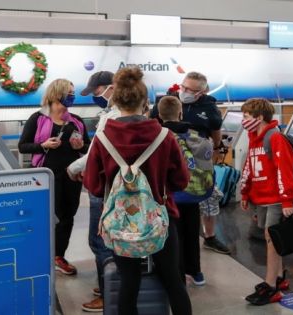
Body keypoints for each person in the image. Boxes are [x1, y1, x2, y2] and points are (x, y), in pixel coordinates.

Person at [84, 67, 192, 315]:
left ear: (116, 100)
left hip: (121, 223)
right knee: (173, 281)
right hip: (161, 219)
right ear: (145, 102)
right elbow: (181, 180)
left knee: (128, 282)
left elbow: (94, 185)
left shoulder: (103, 137)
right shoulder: (164, 136)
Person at [151, 72, 230, 255]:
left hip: (198, 163)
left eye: (189, 90)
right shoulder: (167, 102)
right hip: (169, 162)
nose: (184, 91)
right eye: (183, 87)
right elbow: (152, 123)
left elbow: (215, 132)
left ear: (200, 92)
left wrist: (216, 153)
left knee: (208, 198)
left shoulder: (209, 108)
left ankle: (210, 237)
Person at [18, 78, 90, 276]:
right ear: (57, 93)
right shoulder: (38, 119)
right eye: (69, 92)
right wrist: (43, 145)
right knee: (48, 216)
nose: (72, 97)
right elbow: (23, 146)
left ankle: (59, 256)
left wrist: (80, 146)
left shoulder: (76, 121)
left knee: (68, 215)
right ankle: (41, 256)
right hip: (45, 175)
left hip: (71, 176)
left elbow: (89, 147)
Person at [240, 98, 293, 305]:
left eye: (246, 116)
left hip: (275, 198)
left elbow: (285, 170)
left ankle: (271, 285)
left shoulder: (275, 138)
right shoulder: (254, 138)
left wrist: (287, 200)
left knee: (272, 239)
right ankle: (279, 276)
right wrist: (245, 193)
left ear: (259, 117)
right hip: (262, 198)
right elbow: (249, 167)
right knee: (271, 239)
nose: (243, 120)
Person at [67, 70, 116, 312]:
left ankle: (108, 293)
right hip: (111, 185)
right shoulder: (120, 114)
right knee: (107, 242)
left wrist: (74, 167)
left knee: (100, 242)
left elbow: (96, 151)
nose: (96, 97)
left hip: (103, 187)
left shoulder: (112, 117)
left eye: (97, 91)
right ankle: (109, 283)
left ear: (112, 88)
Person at [157, 95, 210, 286]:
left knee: (174, 237)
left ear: (160, 115)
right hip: (194, 193)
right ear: (180, 112)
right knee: (192, 234)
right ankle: (196, 272)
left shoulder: (160, 136)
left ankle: (178, 276)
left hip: (171, 195)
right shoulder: (196, 134)